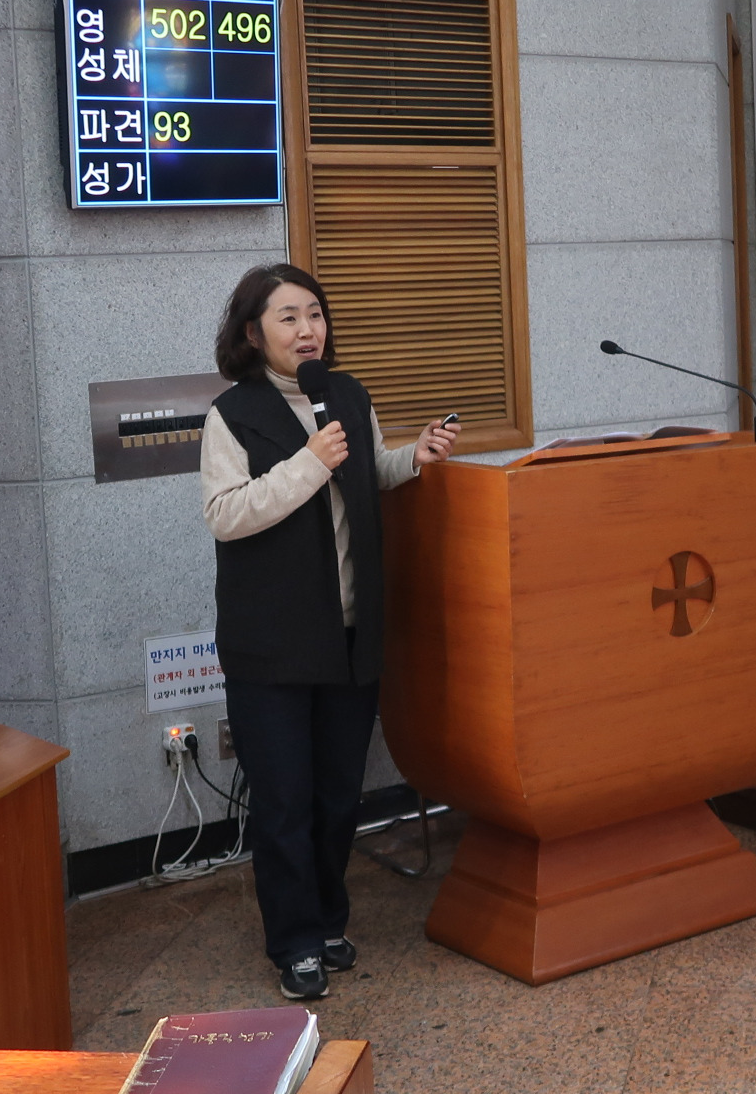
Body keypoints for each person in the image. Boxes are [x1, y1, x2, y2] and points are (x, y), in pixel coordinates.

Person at [198, 264, 460, 1000]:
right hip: (272, 643)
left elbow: (366, 474)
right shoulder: (232, 414)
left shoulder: (347, 394)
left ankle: (327, 920)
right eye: (288, 317)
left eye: (314, 314)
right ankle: (294, 940)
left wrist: (414, 458)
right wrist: (308, 464)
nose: (307, 329)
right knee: (285, 801)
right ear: (253, 334)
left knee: (339, 795)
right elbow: (225, 514)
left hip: (349, 633)